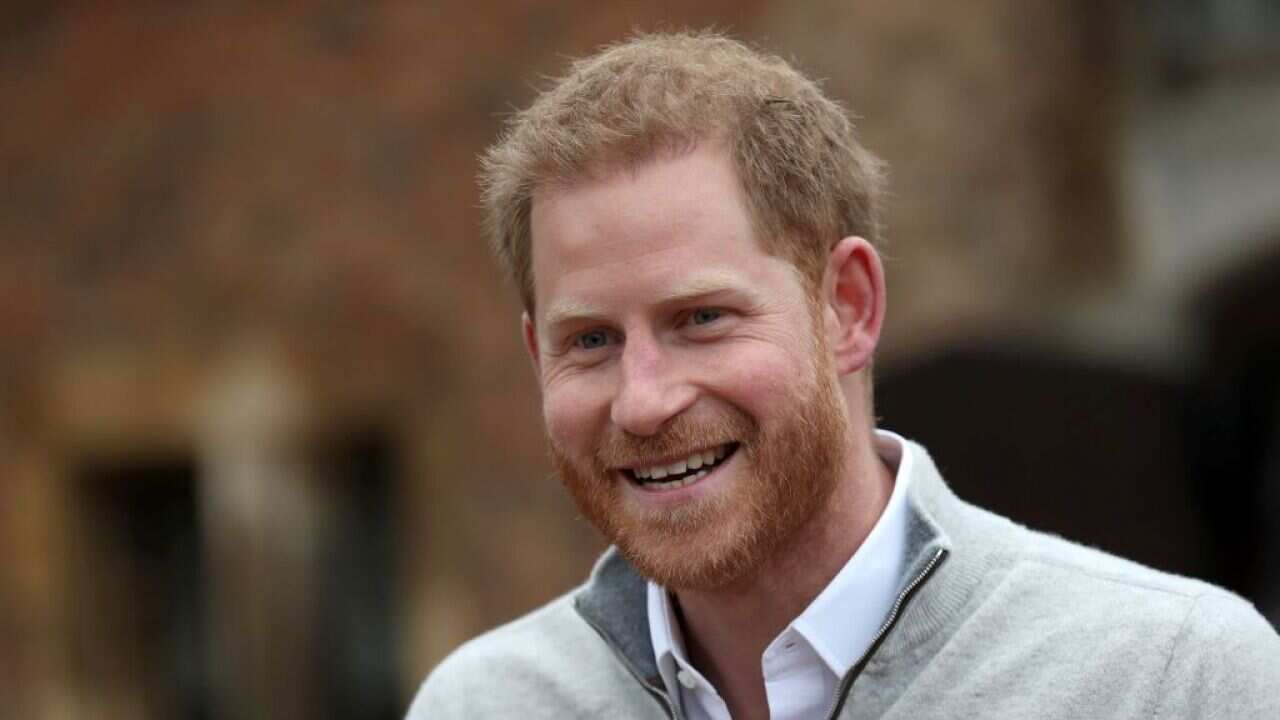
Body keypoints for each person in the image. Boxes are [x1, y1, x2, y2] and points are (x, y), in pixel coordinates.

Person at [408, 31, 1280, 719]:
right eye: (592, 341)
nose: (642, 402)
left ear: (849, 307)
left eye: (701, 319)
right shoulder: (482, 706)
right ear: (538, 355)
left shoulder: (1172, 681)